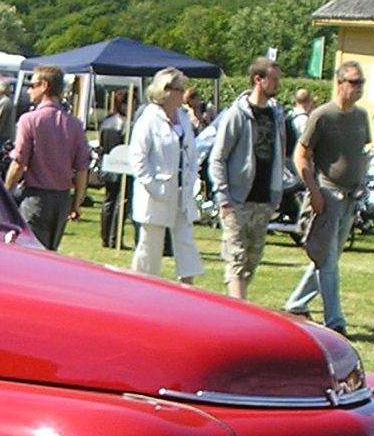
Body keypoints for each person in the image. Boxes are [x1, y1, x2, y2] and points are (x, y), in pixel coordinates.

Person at [283, 62, 372, 335]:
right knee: (329, 260)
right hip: (327, 193)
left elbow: (363, 150)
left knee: (327, 257)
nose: (358, 88)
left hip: (350, 195)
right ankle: (335, 321)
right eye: (354, 82)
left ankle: (296, 303)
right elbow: (301, 155)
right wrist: (314, 191)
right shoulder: (322, 116)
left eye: (361, 83)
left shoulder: (361, 117)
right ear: (340, 82)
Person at [211, 57, 286, 300]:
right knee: (236, 257)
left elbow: (280, 154)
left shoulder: (276, 116)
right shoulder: (237, 115)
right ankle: (238, 309)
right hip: (237, 199)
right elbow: (218, 157)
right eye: (273, 79)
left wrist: (276, 196)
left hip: (263, 200)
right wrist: (224, 197)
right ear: (258, 79)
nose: (277, 84)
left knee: (252, 259)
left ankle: (237, 305)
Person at [128, 67, 204, 283]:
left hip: (181, 191)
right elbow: (138, 157)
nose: (183, 94)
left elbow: (191, 152)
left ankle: (188, 284)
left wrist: (190, 179)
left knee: (185, 239)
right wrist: (153, 185)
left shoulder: (183, 117)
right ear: (166, 90)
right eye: (179, 89)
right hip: (155, 192)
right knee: (150, 243)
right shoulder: (149, 118)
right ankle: (142, 285)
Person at [5, 65, 89, 250]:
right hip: (62, 200)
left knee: (30, 255)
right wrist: (76, 202)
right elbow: (82, 168)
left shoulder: (30, 120)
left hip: (36, 199)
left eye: (32, 85)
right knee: (51, 254)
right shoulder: (75, 125)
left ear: (44, 86)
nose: (29, 89)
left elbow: (19, 163)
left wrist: (4, 193)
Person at [95, 89, 128, 247]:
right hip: (123, 165)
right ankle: (114, 238)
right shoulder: (127, 124)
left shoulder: (106, 121)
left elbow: (101, 144)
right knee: (120, 202)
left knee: (108, 201)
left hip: (107, 164)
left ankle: (105, 237)